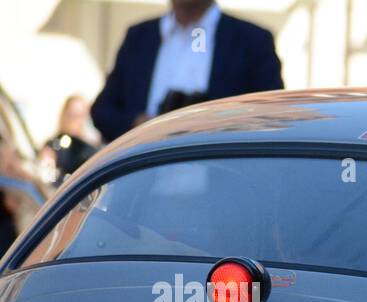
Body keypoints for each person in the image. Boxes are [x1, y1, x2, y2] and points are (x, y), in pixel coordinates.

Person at [91, 0, 282, 142]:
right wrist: (139, 125)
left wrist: (212, 125)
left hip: (220, 181)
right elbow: (102, 112)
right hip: (144, 180)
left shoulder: (252, 41)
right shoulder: (139, 38)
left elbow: (271, 117)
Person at [39, 95, 99, 183]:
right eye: (71, 115)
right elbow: (47, 179)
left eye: (80, 115)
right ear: (63, 115)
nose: (75, 121)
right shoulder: (52, 146)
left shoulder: (92, 147)